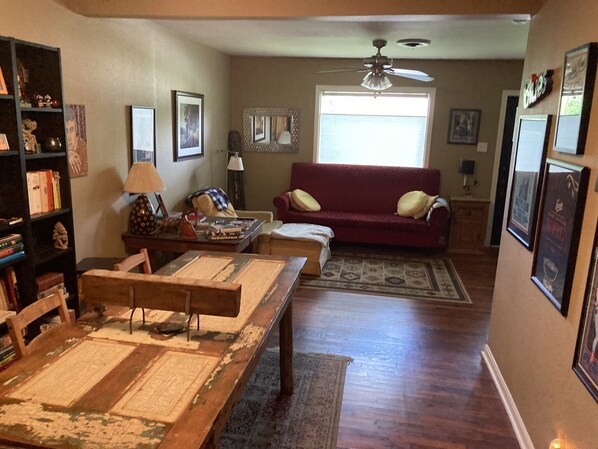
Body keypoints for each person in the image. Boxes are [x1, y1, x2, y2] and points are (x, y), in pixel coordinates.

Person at [65, 106, 88, 177]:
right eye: (66, 131)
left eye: (72, 130)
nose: (69, 137)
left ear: (76, 129)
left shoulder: (83, 148)